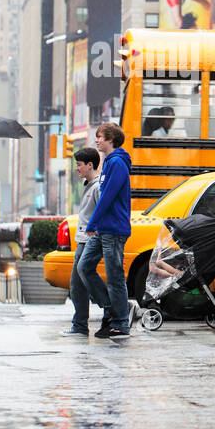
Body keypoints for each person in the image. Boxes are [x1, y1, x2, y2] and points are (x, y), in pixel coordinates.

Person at [80, 122, 135, 338]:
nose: (97, 140)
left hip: (113, 229)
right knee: (84, 267)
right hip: (104, 228)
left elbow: (108, 196)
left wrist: (93, 222)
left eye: (100, 137)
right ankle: (112, 308)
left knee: (114, 276)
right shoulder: (108, 163)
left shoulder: (118, 163)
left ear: (111, 139)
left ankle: (121, 322)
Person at [64, 147, 111, 336]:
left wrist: (96, 234)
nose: (77, 169)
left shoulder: (99, 186)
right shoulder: (87, 185)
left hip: (90, 239)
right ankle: (80, 324)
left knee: (84, 273)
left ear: (90, 165)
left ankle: (110, 306)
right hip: (82, 239)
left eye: (79, 165)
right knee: (76, 285)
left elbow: (103, 212)